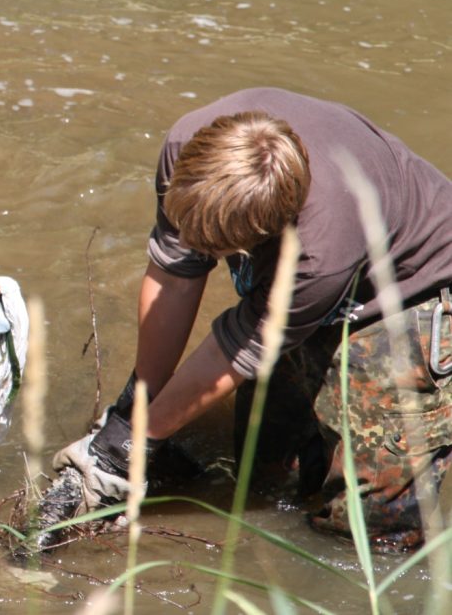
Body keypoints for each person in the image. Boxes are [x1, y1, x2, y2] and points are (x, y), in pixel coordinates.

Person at [53, 87, 452, 548]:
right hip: (306, 273)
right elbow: (174, 278)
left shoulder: (318, 258)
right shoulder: (187, 148)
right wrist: (132, 412)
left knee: (366, 524)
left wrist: (132, 446)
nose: (196, 250)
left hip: (416, 289)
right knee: (265, 470)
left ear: (262, 237)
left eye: (215, 249)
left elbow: (235, 349)